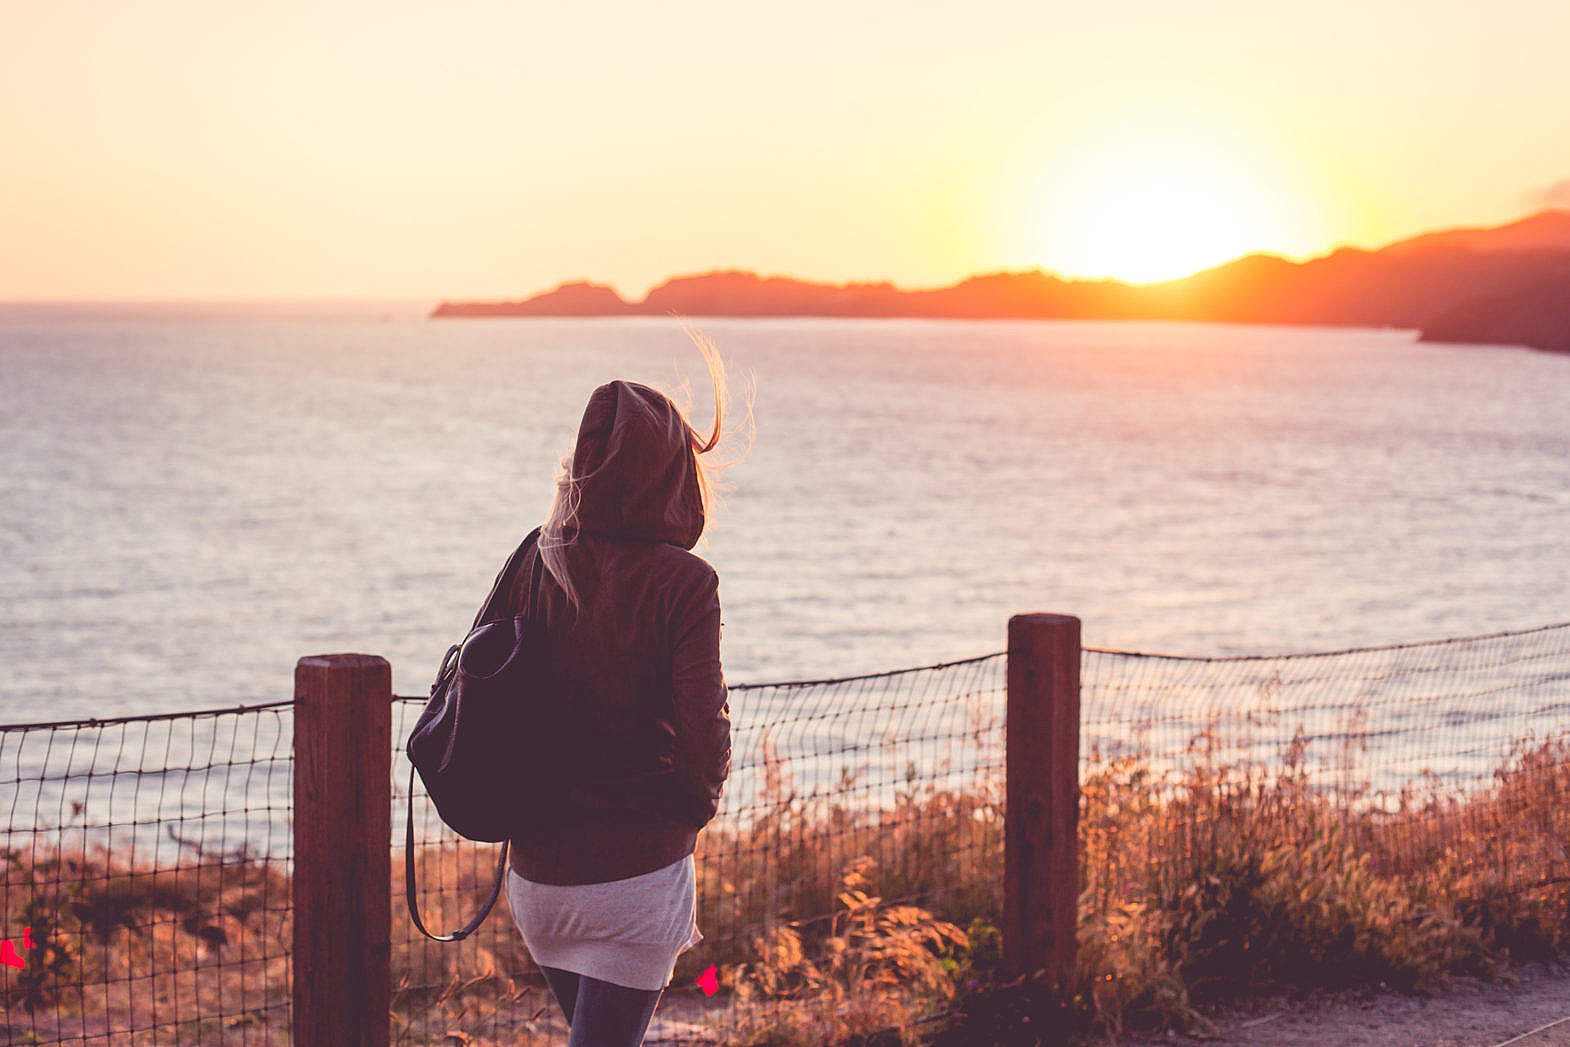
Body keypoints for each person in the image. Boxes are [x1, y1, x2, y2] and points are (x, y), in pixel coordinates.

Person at [498, 342, 743, 1047]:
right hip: (636, 875)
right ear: (671, 474)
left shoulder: (534, 558)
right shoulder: (686, 584)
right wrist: (688, 817)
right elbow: (705, 731)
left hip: (537, 881)